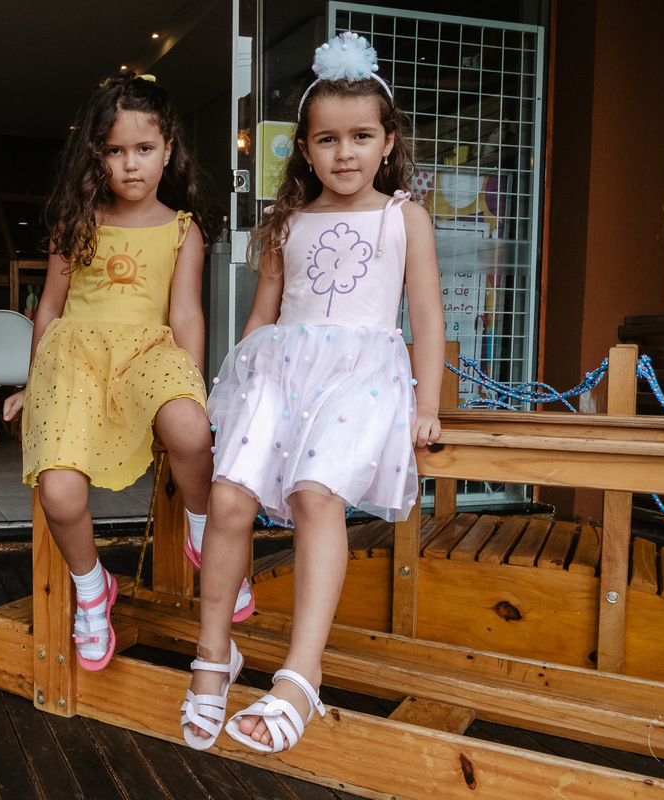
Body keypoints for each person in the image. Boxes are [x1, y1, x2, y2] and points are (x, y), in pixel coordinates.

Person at [180, 31, 445, 752]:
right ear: (304, 148)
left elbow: (426, 318)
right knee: (228, 497)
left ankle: (301, 673)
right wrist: (235, 395)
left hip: (361, 379)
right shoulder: (287, 222)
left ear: (388, 142)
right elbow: (261, 319)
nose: (345, 153)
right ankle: (214, 653)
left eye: (362, 136)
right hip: (280, 374)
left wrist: (427, 407)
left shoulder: (404, 217)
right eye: (327, 139)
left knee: (315, 496)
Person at [2, 73, 253, 672]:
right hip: (75, 361)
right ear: (97, 155)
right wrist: (35, 383)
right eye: (115, 150)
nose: (131, 164)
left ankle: (203, 530)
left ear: (168, 150)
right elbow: (50, 309)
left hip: (148, 355)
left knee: (191, 427)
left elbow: (186, 314)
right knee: (58, 491)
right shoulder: (77, 222)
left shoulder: (184, 229)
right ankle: (93, 588)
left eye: (144, 148)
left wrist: (191, 387)